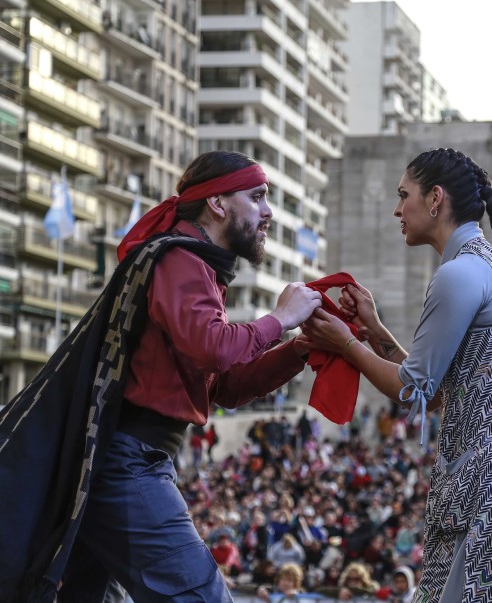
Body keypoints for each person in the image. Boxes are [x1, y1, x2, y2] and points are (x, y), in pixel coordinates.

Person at [0, 151, 324, 600]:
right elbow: (211, 345)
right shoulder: (180, 261)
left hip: (131, 460)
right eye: (257, 197)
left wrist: (300, 350)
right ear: (217, 203)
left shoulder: (199, 266)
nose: (267, 212)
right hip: (127, 465)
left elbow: (225, 386)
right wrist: (281, 318)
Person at [305, 148, 492, 601]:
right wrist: (373, 331)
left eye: (403, 195)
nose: (396, 209)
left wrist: (343, 344)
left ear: (435, 199)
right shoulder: (487, 265)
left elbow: (412, 388)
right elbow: (443, 387)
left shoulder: (459, 272)